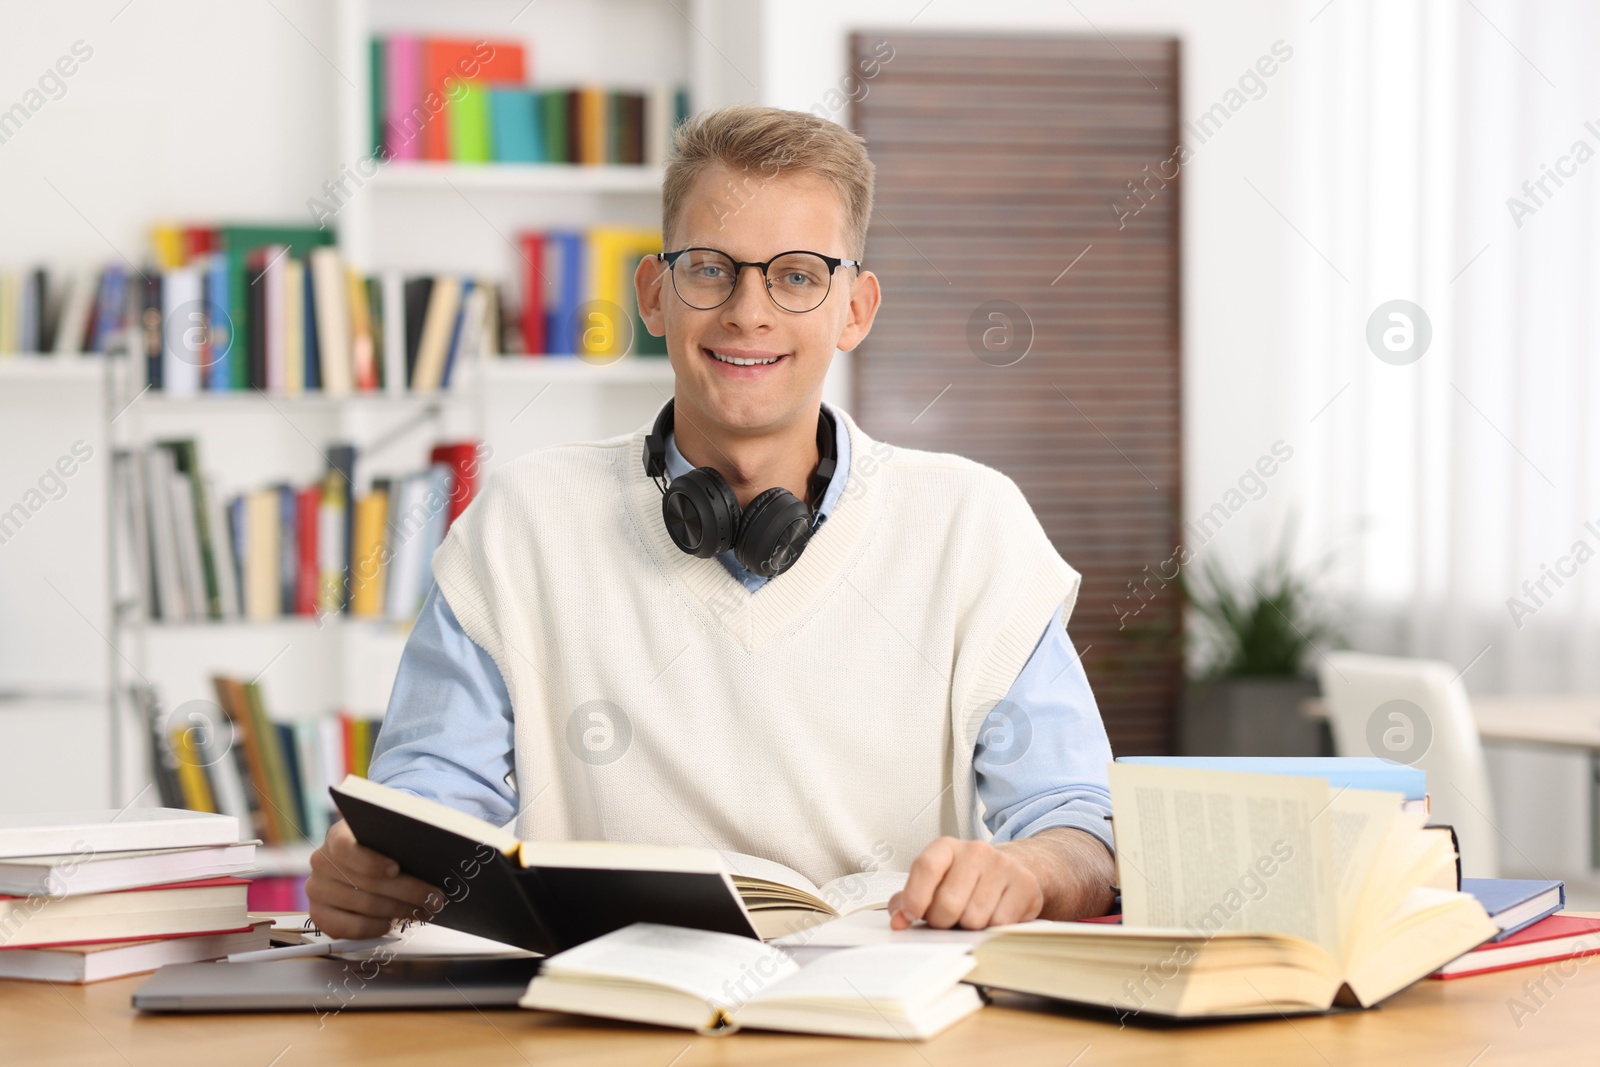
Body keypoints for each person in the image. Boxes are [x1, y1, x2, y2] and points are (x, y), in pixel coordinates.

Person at [307, 105, 1117, 939]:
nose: (748, 312)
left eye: (797, 276)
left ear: (855, 310)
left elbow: (1082, 823)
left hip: (877, 1012)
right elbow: (429, 803)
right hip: (606, 1012)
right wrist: (371, 875)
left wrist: (1026, 868)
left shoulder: (972, 525)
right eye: (710, 270)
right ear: (655, 294)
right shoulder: (522, 521)